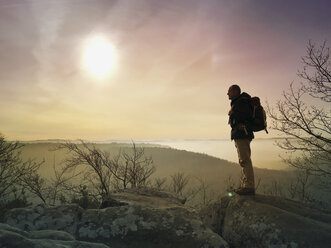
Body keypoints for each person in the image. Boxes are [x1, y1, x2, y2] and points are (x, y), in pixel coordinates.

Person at [227, 84, 255, 195]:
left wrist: (233, 113)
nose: (227, 93)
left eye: (229, 91)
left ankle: (248, 187)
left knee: (245, 160)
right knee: (243, 160)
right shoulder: (239, 102)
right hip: (241, 134)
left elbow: (244, 117)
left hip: (242, 134)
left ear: (235, 91)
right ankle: (246, 185)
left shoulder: (241, 102)